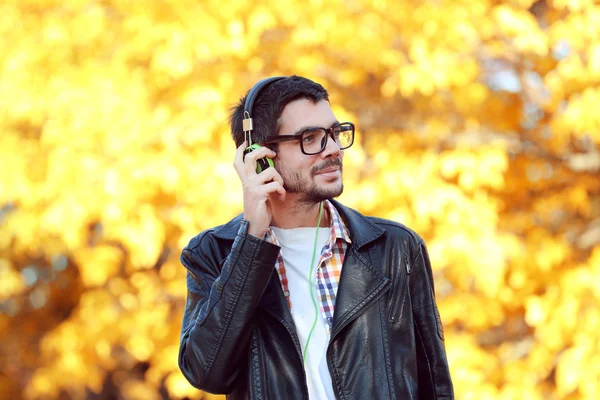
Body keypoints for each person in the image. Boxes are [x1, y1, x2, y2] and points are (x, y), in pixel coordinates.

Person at [178, 75, 454, 399]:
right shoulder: (214, 253)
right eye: (311, 138)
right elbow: (205, 371)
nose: (334, 149)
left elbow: (434, 383)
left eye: (335, 133)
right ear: (261, 155)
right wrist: (252, 241)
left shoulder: (396, 249)